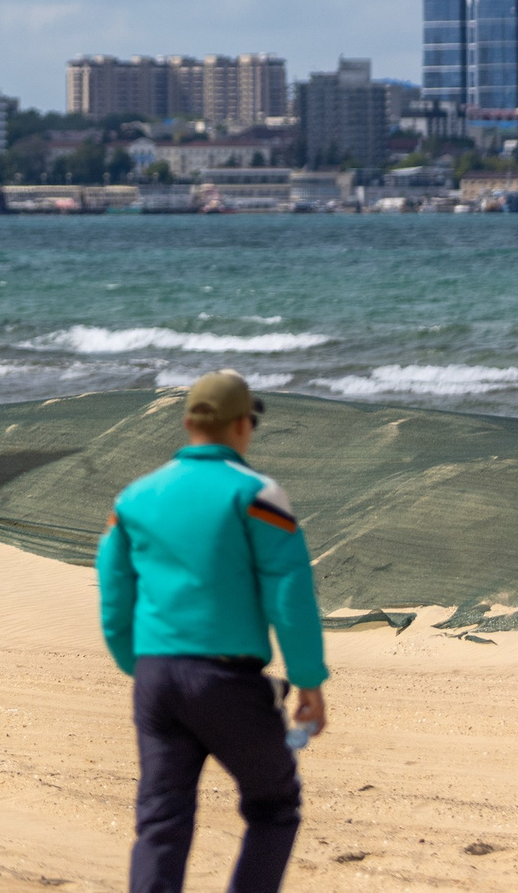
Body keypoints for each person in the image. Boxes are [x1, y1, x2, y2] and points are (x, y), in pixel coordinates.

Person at [96, 370, 328, 893]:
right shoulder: (257, 495)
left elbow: (114, 595)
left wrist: (140, 664)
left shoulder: (133, 498)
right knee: (274, 806)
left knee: (162, 819)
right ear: (244, 425)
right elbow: (289, 596)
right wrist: (309, 680)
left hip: (156, 677)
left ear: (187, 424)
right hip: (226, 680)